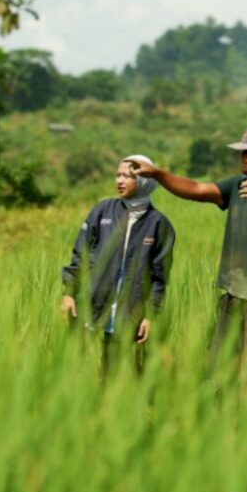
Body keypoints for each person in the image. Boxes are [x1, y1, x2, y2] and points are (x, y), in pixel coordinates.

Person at [128, 123, 247, 382]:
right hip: (232, 298)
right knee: (220, 377)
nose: (243, 156)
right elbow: (197, 190)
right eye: (242, 151)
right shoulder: (238, 185)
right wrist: (157, 174)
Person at [61, 155, 175, 374]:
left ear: (144, 181)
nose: (120, 181)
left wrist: (151, 315)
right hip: (90, 303)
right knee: (71, 366)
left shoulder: (159, 225)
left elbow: (159, 278)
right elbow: (80, 255)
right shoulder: (103, 211)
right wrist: (68, 293)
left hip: (127, 310)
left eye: (128, 176)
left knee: (112, 370)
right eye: (118, 175)